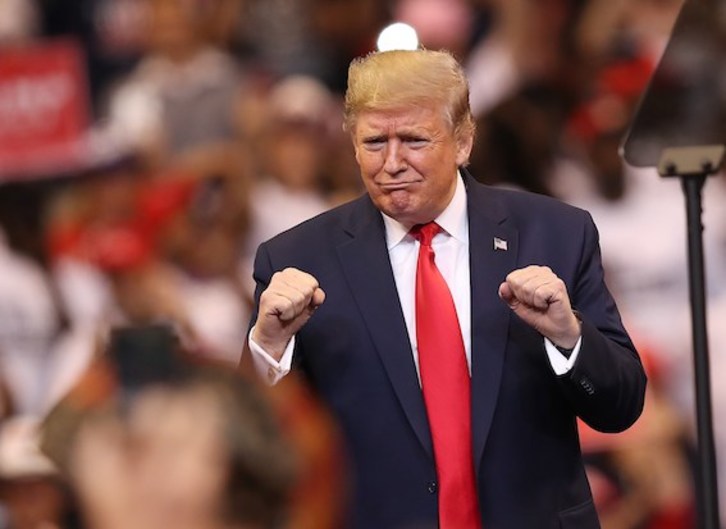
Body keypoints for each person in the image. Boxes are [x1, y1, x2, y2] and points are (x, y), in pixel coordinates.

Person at [244, 49, 646, 529]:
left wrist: (569, 337)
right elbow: (254, 448)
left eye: (413, 139)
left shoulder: (555, 234)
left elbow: (621, 407)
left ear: (462, 142)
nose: (392, 162)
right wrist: (267, 348)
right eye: (374, 142)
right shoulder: (298, 260)